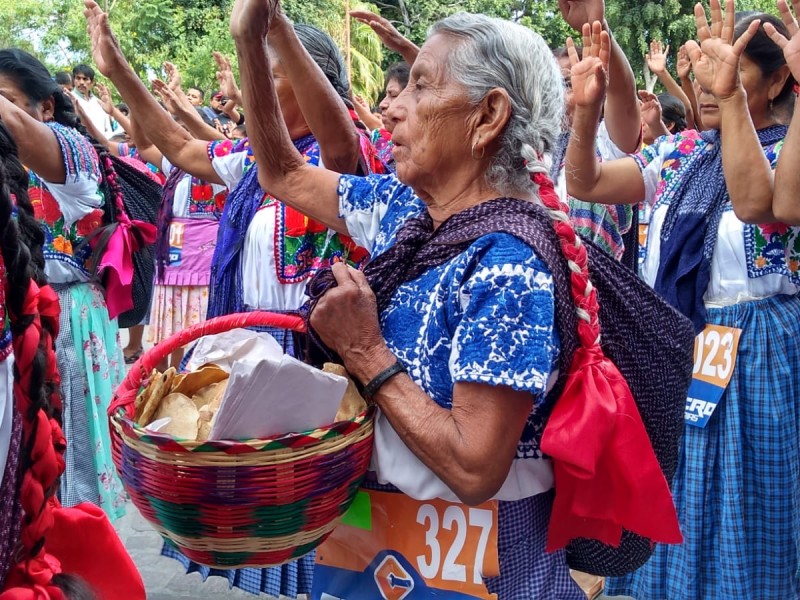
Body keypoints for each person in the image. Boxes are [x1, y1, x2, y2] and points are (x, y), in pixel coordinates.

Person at [226, 0, 665, 595]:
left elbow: (474, 466)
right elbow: (280, 174)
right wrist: (255, 38)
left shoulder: (510, 263)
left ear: (487, 117)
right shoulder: (406, 211)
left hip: (477, 562)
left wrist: (366, 351)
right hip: (372, 546)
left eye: (421, 86)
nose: (392, 106)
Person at [84, 1, 381, 595]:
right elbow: (179, 146)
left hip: (316, 363)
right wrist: (118, 71)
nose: (253, 91)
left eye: (270, 76)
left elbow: (340, 140)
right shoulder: (253, 161)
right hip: (251, 354)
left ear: (311, 82)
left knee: (324, 533)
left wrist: (276, 33)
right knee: (260, 525)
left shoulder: (349, 164)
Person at [565, 2, 800, 597]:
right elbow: (586, 182)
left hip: (755, 364)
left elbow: (758, 203)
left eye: (736, 71)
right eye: (708, 69)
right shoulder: (682, 152)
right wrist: (585, 115)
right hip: (672, 354)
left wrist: (736, 106)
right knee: (675, 499)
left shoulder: (787, 154)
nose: (715, 83)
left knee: (742, 509)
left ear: (778, 80)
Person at [0, 48, 127, 521]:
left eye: (7, 100)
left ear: (46, 107)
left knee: (70, 450)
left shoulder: (71, 153)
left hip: (69, 314)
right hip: (17, 317)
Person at [552, 0, 642, 266]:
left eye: (568, 83)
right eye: (551, 83)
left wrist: (597, 26)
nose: (559, 94)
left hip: (598, 296)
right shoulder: (527, 151)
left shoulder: (604, 142)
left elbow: (624, 99)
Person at [72, 63, 114, 137]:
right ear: (74, 80)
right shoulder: (69, 100)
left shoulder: (99, 102)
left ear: (92, 82)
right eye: (78, 78)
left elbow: (107, 128)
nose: (81, 82)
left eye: (85, 79)